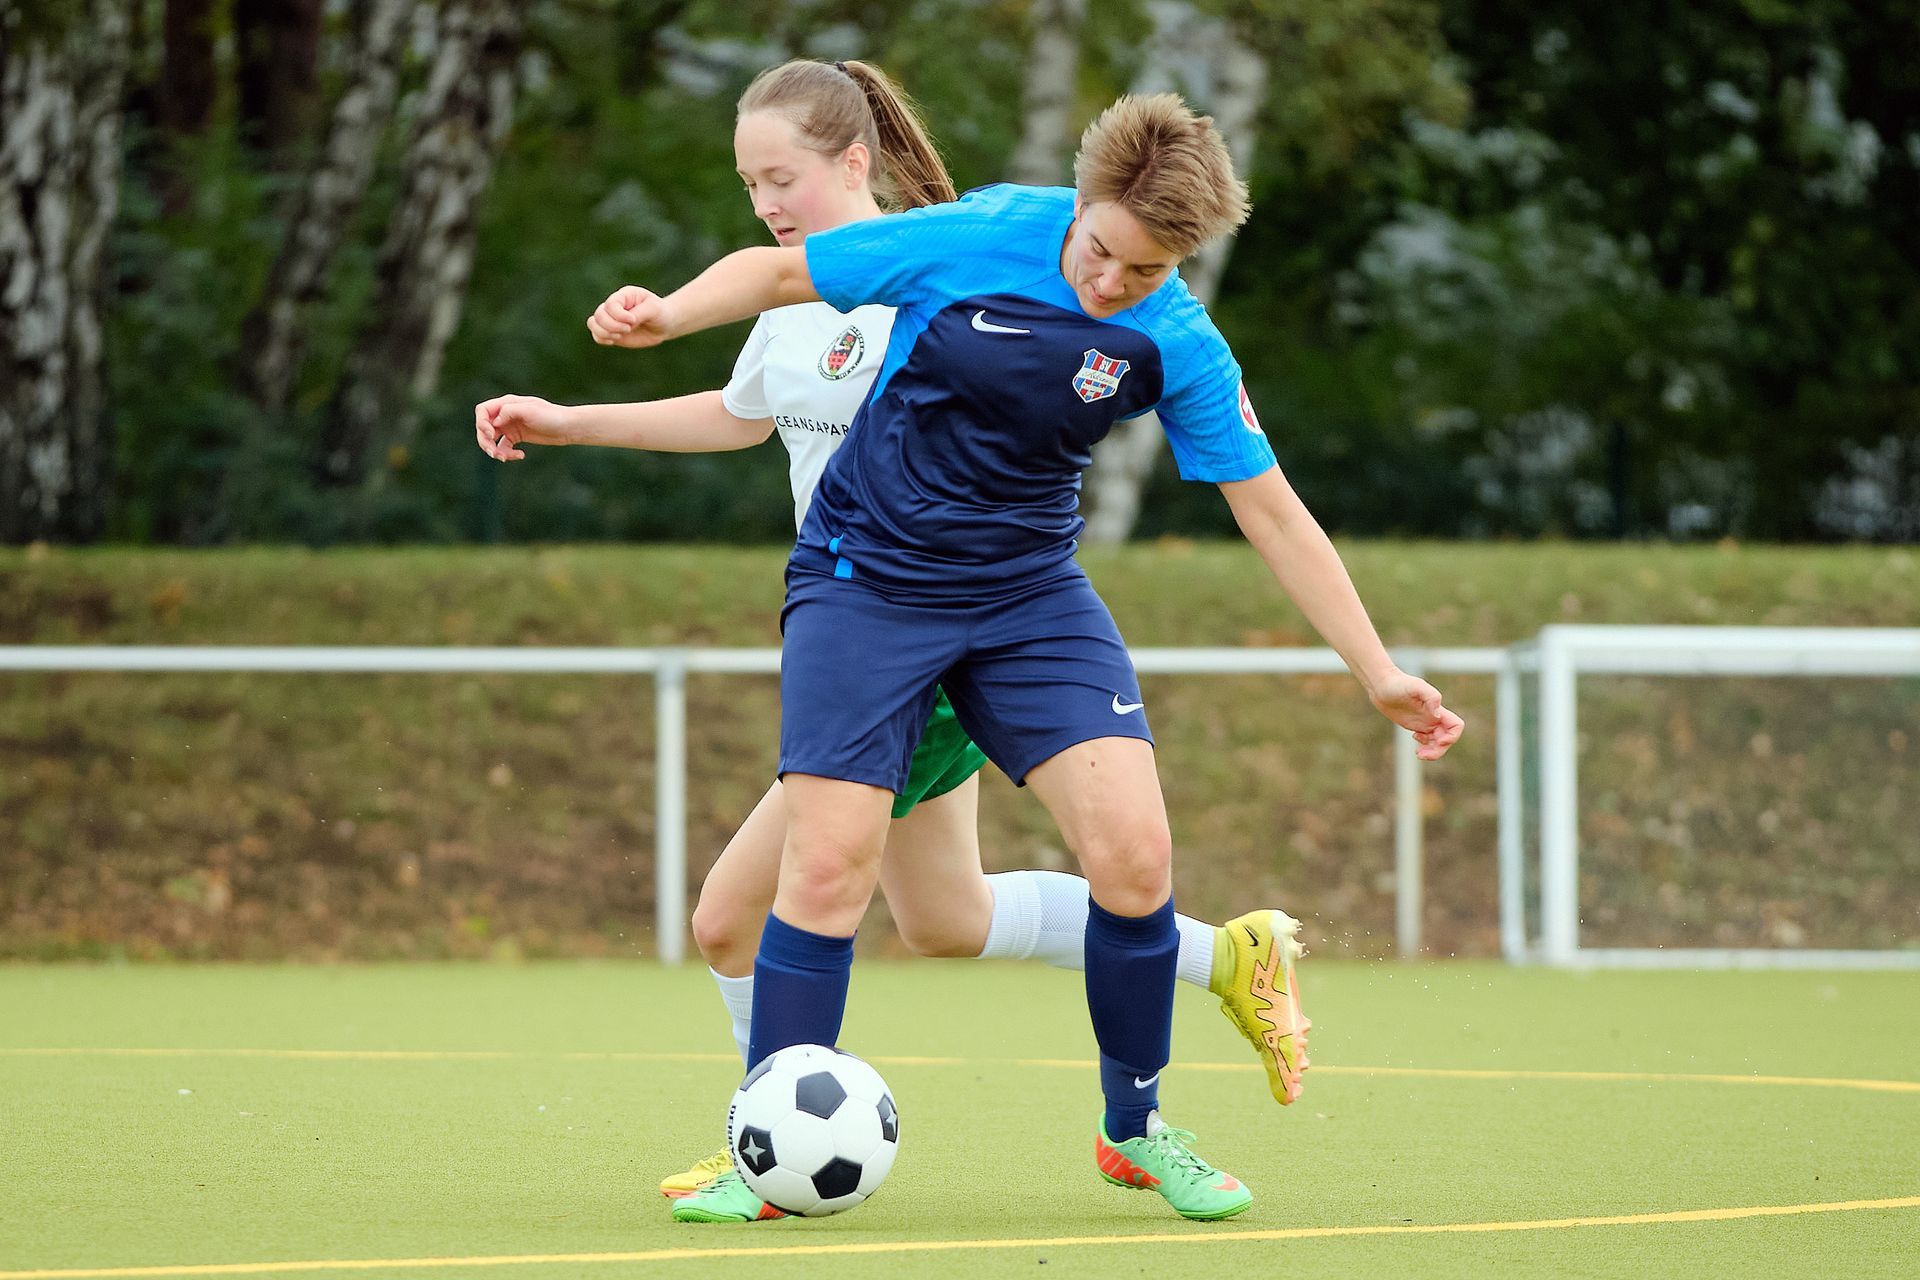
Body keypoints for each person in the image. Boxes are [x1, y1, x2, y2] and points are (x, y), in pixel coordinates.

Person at [585, 88, 1464, 1223]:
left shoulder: (1176, 338)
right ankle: (771, 1162)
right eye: (1099, 250)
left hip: (1025, 597)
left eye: (1144, 270)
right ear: (1080, 202)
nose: (1109, 282)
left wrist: (1377, 668)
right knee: (828, 868)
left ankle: (1135, 1130)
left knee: (1136, 857)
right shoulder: (985, 231)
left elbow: (1274, 512)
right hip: (865, 583)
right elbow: (777, 273)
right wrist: (666, 315)